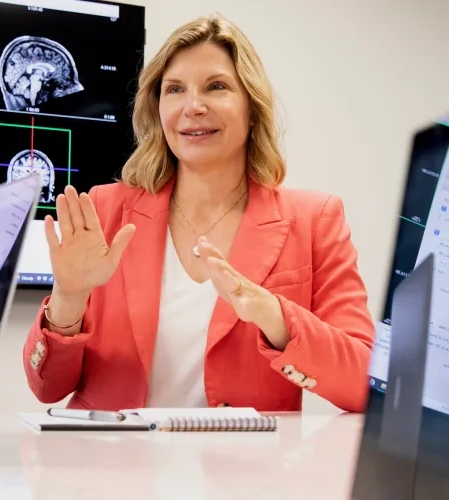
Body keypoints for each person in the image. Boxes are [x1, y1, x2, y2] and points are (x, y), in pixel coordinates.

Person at [22, 13, 375, 413]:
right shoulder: (105, 211)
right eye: (174, 90)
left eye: (217, 86)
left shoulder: (315, 220)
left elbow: (364, 384)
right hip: (112, 467)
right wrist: (69, 299)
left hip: (247, 471)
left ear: (252, 107)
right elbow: (47, 388)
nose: (193, 106)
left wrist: (273, 316)